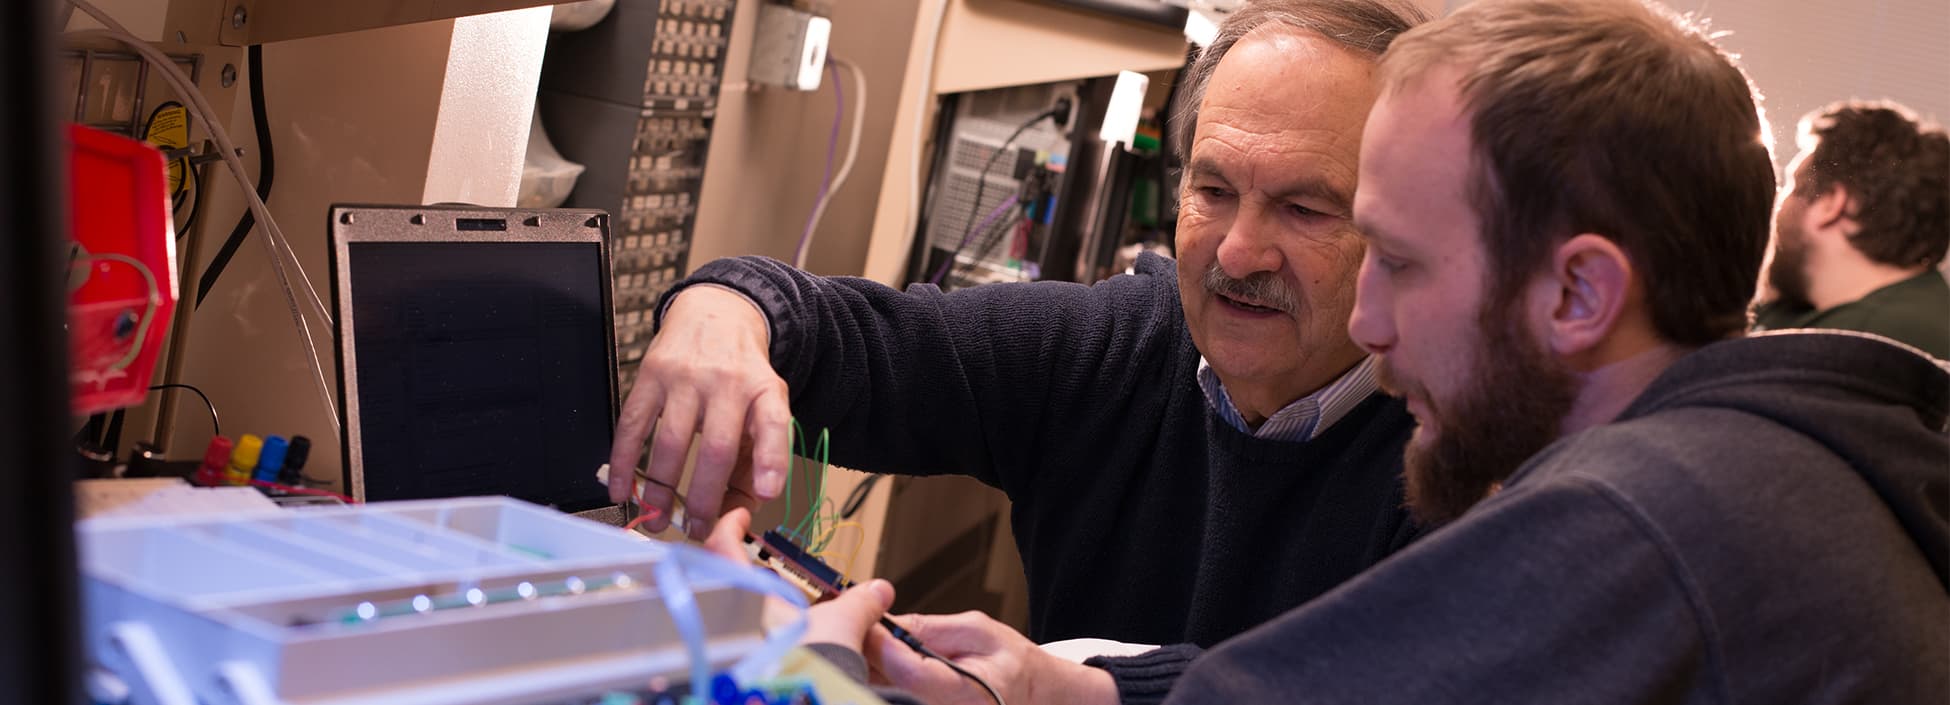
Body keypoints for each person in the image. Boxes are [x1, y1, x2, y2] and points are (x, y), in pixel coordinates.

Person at [786, 1, 1950, 703]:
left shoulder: (1650, 522)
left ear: (1582, 290)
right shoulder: (1782, 474)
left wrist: (815, 677)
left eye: (1395, 256)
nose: (1374, 327)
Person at [610, 0, 1434, 682]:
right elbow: (867, 344)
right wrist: (727, 308)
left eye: (1305, 208)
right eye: (1212, 189)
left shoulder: (1462, 448)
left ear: (1401, 230)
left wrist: (1082, 693)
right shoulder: (1113, 349)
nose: (1237, 252)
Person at [1754, 100, 1950, 358]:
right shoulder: (1918, 308)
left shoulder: (1874, 339)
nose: (1777, 207)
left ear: (1830, 203)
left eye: (1791, 186)